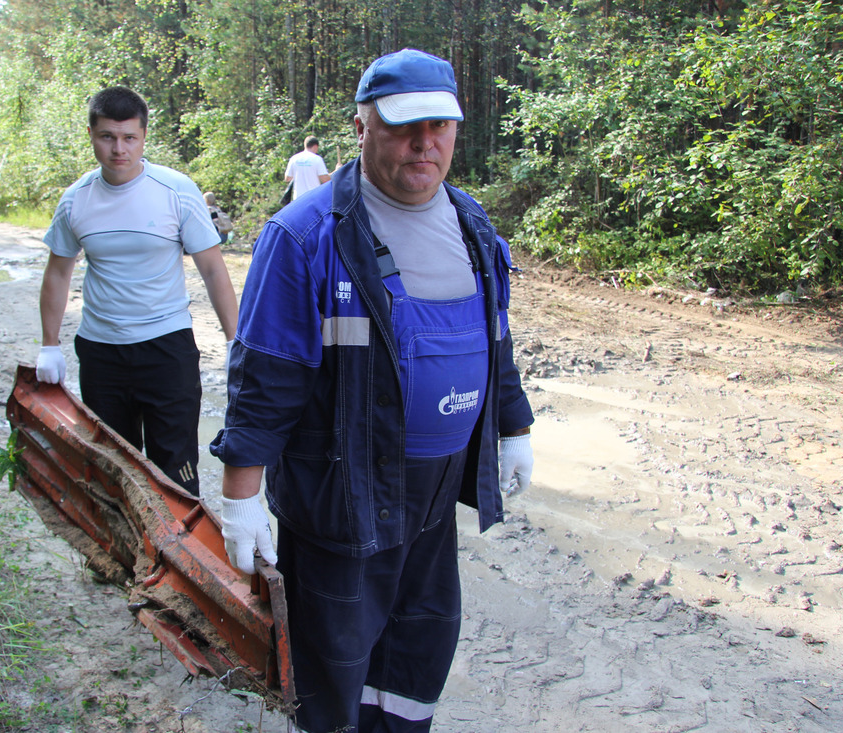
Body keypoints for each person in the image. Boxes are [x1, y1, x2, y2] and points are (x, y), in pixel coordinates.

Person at [211, 49, 534, 732]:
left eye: (440, 126)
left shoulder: (473, 225)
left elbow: (496, 338)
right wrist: (239, 498)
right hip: (341, 502)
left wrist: (514, 424)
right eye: (404, 127)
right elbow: (265, 379)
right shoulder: (304, 238)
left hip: (434, 501)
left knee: (419, 652)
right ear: (361, 128)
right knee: (332, 679)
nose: (425, 144)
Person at [36, 85, 238, 497]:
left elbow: (214, 270)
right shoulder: (76, 200)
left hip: (167, 351)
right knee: (112, 469)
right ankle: (123, 562)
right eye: (107, 137)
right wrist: (49, 345)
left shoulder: (177, 191)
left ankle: (180, 560)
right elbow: (58, 273)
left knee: (176, 469)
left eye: (129, 138)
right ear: (92, 134)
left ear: (144, 137)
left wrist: (236, 340)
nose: (118, 149)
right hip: (101, 353)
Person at [283, 135, 331, 201]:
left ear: (305, 145)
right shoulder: (317, 159)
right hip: (313, 198)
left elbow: (287, 178)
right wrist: (337, 171)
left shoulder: (294, 158)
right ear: (315, 146)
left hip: (298, 199)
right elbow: (325, 179)